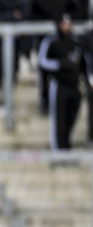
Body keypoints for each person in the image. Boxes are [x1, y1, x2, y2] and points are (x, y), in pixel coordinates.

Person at [38, 13, 93, 150]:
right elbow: (42, 62)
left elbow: (85, 63)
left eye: (69, 23)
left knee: (71, 119)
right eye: (64, 24)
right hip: (59, 85)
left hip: (74, 86)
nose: (67, 26)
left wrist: (89, 79)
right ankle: (59, 152)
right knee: (59, 121)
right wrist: (60, 64)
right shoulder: (52, 41)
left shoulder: (77, 42)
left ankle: (67, 148)